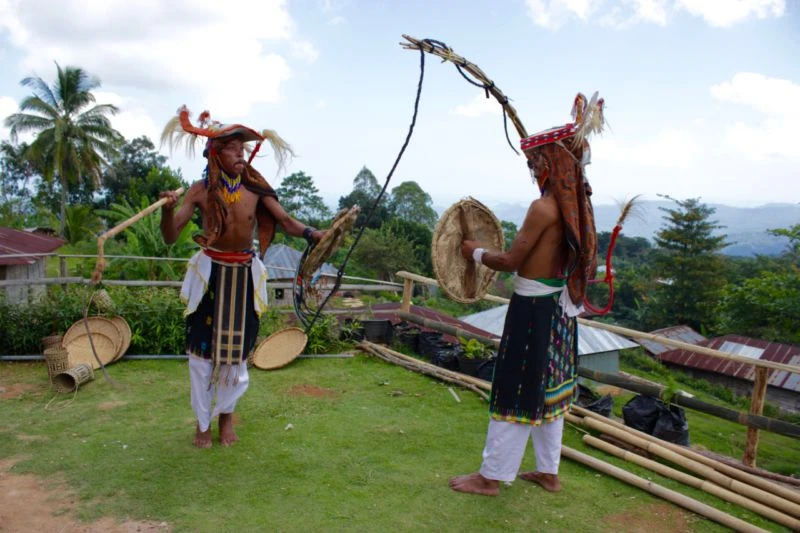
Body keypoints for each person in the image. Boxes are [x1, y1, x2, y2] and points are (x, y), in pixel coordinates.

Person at [450, 93, 603, 495]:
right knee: (549, 387)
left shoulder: (543, 208)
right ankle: (548, 472)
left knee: (516, 386)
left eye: (535, 161)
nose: (532, 168)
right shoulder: (578, 205)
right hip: (560, 312)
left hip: (534, 310)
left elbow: (511, 261)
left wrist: (474, 252)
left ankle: (490, 477)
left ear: (551, 162)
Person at [159, 107, 325, 448]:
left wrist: (312, 233)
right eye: (232, 149)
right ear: (216, 154)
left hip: (245, 277)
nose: (240, 154)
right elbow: (170, 236)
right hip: (210, 277)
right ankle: (202, 425)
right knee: (201, 355)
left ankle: (226, 419)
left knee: (236, 355)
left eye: (242, 148)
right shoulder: (199, 191)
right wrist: (167, 210)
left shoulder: (255, 189)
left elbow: (287, 222)